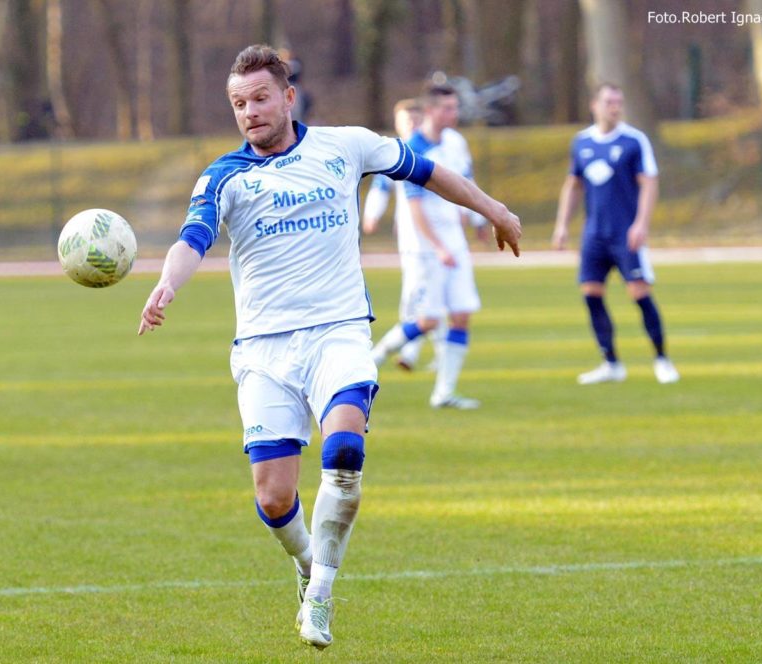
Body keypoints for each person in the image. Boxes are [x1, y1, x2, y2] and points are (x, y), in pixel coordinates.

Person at [138, 44, 521, 650]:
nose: (250, 112)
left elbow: (425, 171)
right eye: (239, 103)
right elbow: (194, 237)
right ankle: (305, 563)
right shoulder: (224, 176)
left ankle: (320, 595)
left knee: (344, 454)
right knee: (274, 497)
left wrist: (493, 208)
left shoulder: (346, 146)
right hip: (263, 349)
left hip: (338, 332)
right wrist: (167, 283)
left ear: (288, 97)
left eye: (260, 98)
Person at [369, 84, 492, 409]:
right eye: (448, 108)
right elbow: (415, 206)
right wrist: (438, 247)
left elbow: (467, 184)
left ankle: (444, 393)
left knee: (462, 314)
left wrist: (478, 220)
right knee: (428, 320)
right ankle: (371, 360)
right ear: (430, 111)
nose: (454, 113)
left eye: (455, 107)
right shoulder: (413, 149)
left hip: (454, 241)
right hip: (425, 247)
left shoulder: (456, 142)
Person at [552, 83, 679, 385]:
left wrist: (641, 224)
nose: (615, 107)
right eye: (609, 102)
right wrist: (562, 225)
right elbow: (573, 185)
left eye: (618, 102)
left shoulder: (634, 140)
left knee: (639, 293)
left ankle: (662, 359)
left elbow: (649, 183)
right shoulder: (581, 142)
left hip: (625, 233)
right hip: (594, 235)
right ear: (594, 105)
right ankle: (611, 363)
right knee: (591, 294)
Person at [362, 98, 431, 372]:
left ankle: (410, 353)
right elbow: (381, 186)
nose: (412, 124)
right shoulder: (396, 152)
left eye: (416, 119)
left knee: (430, 298)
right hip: (414, 238)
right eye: (407, 120)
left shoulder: (435, 148)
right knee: (417, 295)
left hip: (440, 237)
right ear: (397, 123)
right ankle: (404, 353)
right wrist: (372, 214)